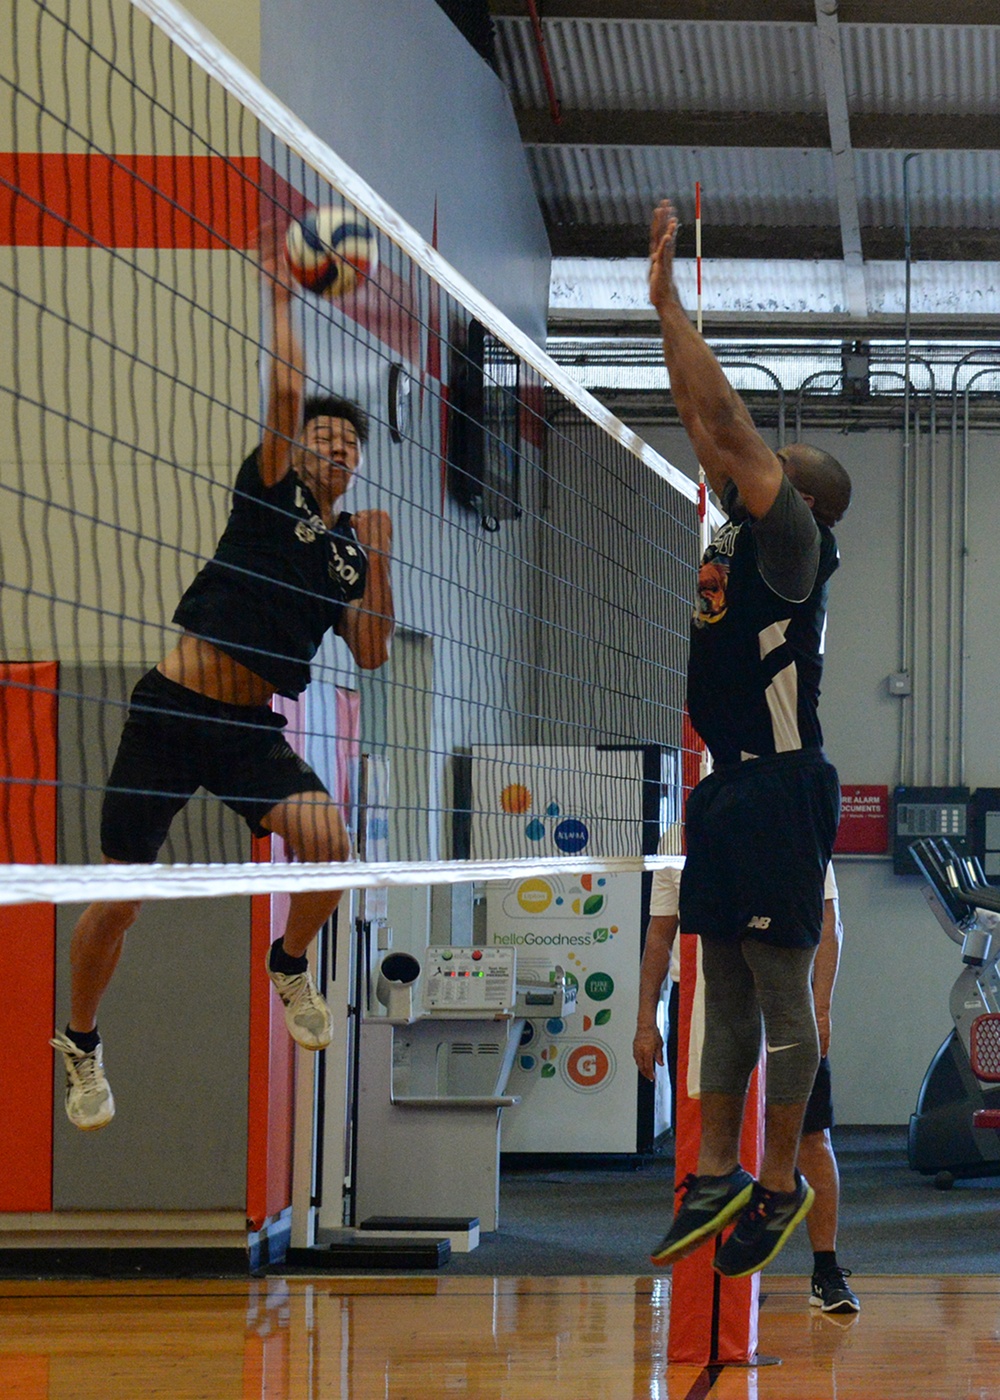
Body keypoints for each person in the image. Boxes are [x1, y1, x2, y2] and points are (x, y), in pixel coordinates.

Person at [50, 241, 394, 1131]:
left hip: (249, 731)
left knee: (333, 848)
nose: (337, 449)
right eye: (326, 436)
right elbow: (285, 397)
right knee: (119, 898)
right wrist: (283, 301)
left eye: (350, 444)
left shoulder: (352, 551)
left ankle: (289, 961)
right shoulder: (268, 491)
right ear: (297, 451)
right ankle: (82, 1043)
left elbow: (372, 653)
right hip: (170, 713)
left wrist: (382, 560)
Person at [644, 198, 851, 1278]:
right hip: (727, 788)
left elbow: (725, 423)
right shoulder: (736, 520)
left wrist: (672, 303)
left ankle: (777, 1182)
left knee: (778, 993)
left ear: (802, 499)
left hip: (781, 787)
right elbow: (703, 421)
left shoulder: (795, 539)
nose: (752, 463)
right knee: (718, 988)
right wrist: (663, 319)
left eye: (780, 459)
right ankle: (717, 1171)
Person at [634, 860, 860, 1312]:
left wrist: (821, 1006)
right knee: (703, 1129)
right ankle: (714, 1273)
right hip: (701, 996)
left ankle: (826, 1269)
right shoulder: (680, 835)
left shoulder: (791, 819)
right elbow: (660, 934)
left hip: (784, 992)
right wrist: (646, 1021)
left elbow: (830, 922)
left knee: (811, 1135)